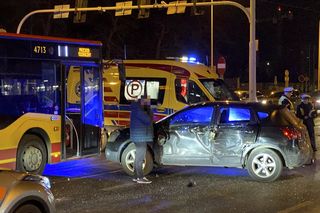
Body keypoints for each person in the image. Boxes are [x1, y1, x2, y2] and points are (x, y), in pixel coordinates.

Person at [130, 95, 154, 184]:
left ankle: (136, 176)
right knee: (140, 158)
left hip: (138, 136)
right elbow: (148, 120)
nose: (148, 103)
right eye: (147, 101)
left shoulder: (136, 108)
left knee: (138, 157)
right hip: (140, 137)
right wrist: (150, 110)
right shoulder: (139, 110)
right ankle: (140, 177)